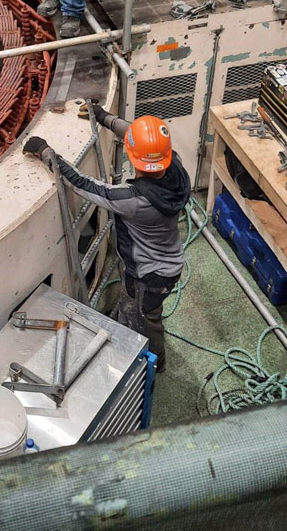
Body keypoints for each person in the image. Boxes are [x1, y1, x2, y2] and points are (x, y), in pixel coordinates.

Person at [23, 106, 191, 372]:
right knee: (147, 314)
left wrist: (46, 152)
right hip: (167, 265)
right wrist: (104, 117)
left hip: (147, 275)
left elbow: (82, 184)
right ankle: (148, 350)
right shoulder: (176, 166)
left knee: (138, 318)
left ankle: (151, 365)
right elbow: (134, 135)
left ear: (135, 160)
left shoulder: (133, 200)